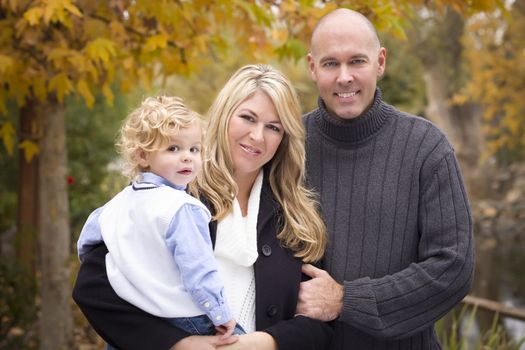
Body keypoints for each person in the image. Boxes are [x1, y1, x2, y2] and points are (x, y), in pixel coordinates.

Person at [73, 64, 333, 350]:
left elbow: (318, 327)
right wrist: (178, 344)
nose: (258, 136)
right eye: (248, 118)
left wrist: (262, 343)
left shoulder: (296, 215)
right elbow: (92, 288)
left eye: (273, 127)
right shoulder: (172, 192)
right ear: (224, 116)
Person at [295, 8, 474, 349]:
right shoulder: (288, 145)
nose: (344, 77)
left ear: (380, 62)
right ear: (312, 67)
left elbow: (453, 269)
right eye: (331, 63)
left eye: (357, 61)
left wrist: (348, 300)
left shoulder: (426, 147)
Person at [76, 96, 244, 346]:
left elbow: (86, 244)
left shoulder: (115, 204)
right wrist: (220, 313)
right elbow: (199, 270)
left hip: (135, 316)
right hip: (183, 317)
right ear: (143, 156)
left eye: (194, 149)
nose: (187, 157)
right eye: (173, 149)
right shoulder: (184, 208)